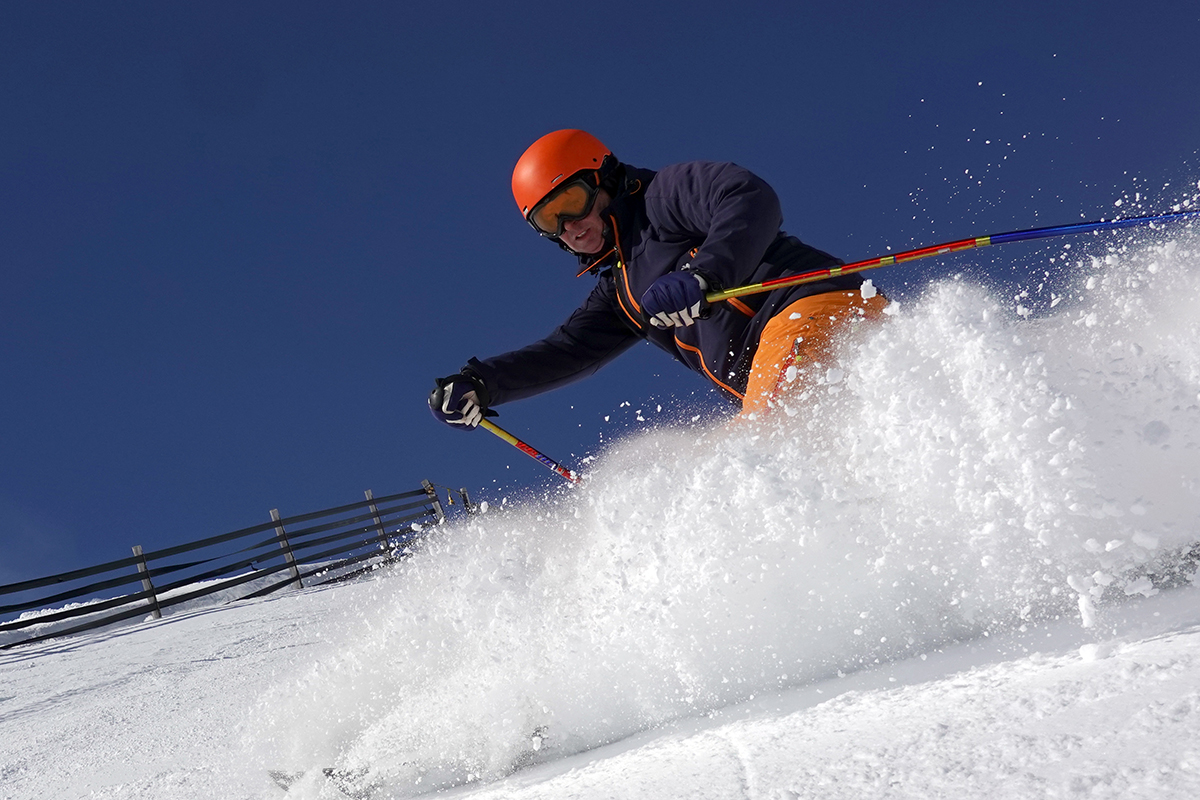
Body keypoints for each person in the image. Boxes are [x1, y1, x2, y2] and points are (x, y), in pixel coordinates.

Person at [429, 129, 887, 430]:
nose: (569, 225)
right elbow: (569, 351)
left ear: (604, 178)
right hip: (764, 379)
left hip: (808, 309)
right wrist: (483, 382)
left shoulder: (662, 199)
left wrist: (705, 274)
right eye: (550, 221)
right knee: (736, 473)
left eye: (571, 201)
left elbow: (747, 197)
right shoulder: (622, 292)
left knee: (766, 446)